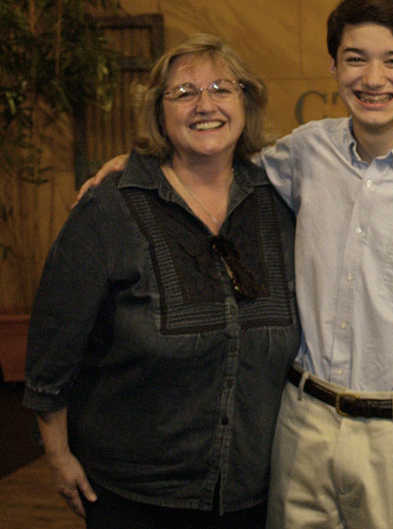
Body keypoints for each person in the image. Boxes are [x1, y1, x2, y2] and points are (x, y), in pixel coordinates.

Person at [79, 0, 393, 529]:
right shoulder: (305, 153)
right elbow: (215, 157)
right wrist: (138, 163)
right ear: (333, 66)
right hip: (301, 427)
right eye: (355, 59)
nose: (373, 79)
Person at [24, 34, 300, 529]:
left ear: (246, 102)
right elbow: (53, 343)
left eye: (221, 88)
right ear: (158, 111)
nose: (205, 105)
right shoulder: (110, 206)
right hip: (134, 496)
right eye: (184, 92)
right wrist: (58, 455)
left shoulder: (280, 201)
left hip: (252, 493)